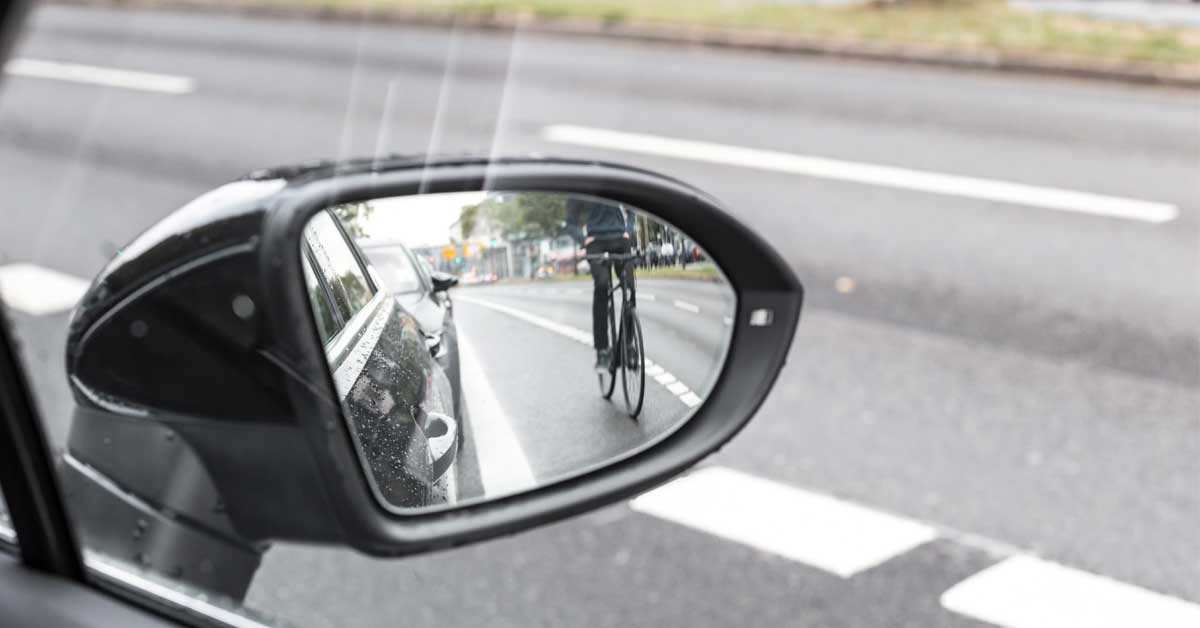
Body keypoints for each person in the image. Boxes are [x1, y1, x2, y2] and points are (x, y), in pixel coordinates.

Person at [566, 196, 637, 372]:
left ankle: (628, 344)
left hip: (620, 239)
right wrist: (583, 241)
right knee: (602, 284)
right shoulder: (579, 185)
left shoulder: (615, 177)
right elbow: (570, 222)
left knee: (629, 286)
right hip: (595, 243)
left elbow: (632, 208)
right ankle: (602, 350)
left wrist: (628, 230)